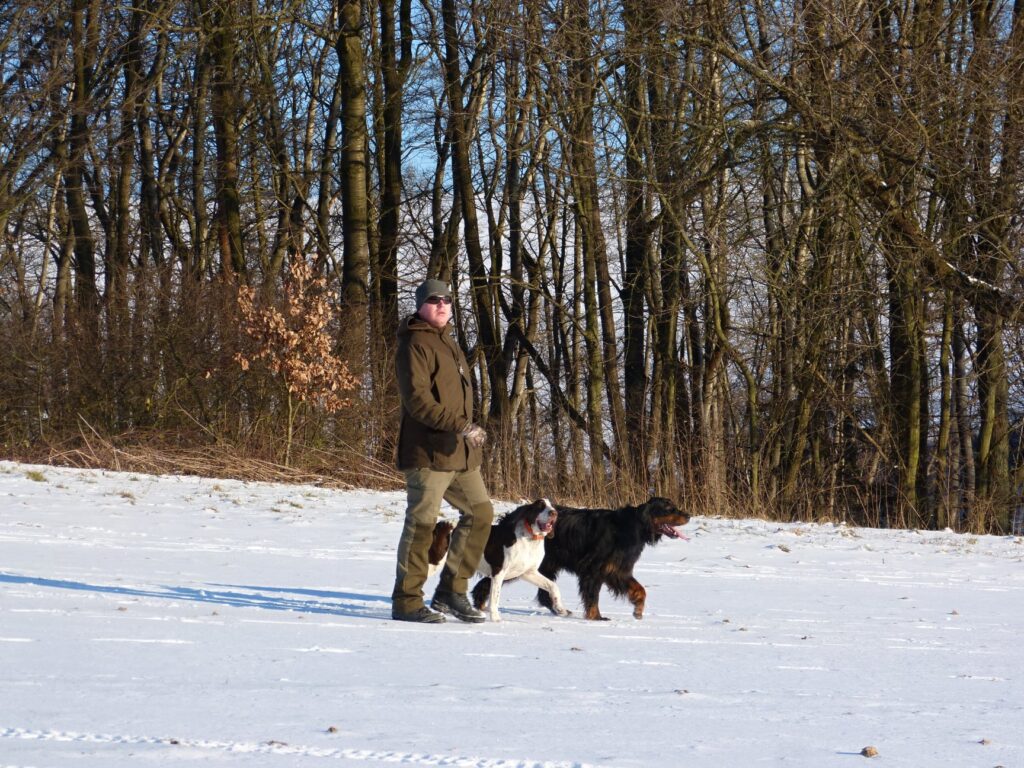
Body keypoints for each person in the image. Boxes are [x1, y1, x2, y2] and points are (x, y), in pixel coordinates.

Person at [391, 278, 494, 623]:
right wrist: (461, 426)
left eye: (447, 300)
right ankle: (407, 602)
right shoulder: (414, 344)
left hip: (459, 455)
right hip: (427, 453)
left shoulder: (447, 342)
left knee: (480, 513)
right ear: (421, 305)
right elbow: (418, 401)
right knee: (422, 526)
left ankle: (451, 590)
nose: (442, 305)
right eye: (434, 300)